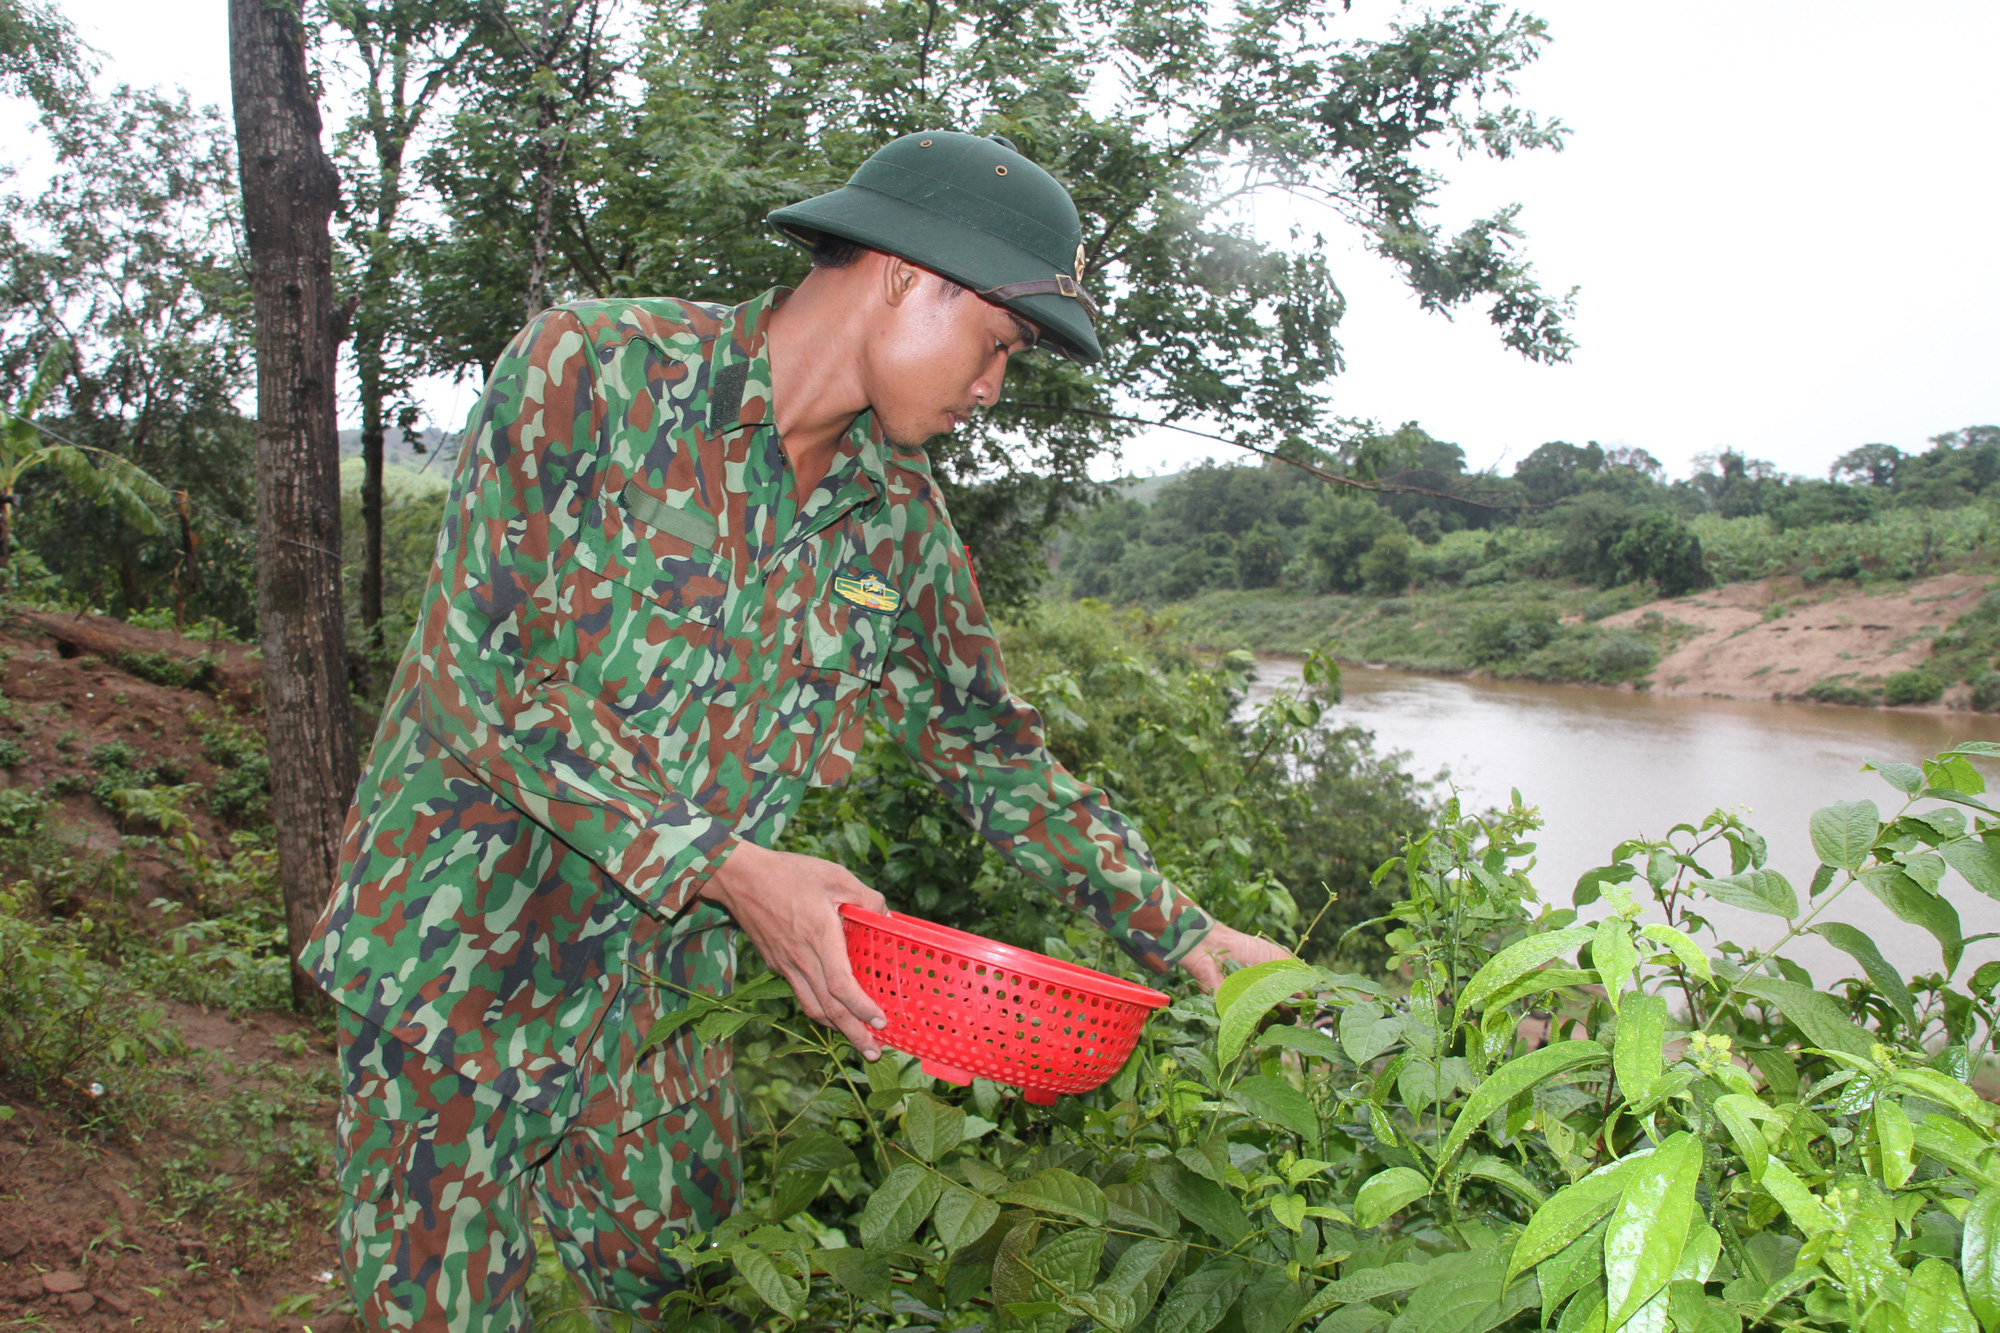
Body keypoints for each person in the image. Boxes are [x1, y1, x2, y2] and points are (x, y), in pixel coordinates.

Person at [307, 129, 1291, 1332]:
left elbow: (988, 750)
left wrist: (1184, 933)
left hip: (661, 1002)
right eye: (998, 345)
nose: (992, 388)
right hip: (449, 966)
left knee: (703, 1299)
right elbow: (488, 682)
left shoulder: (900, 524)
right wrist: (734, 870)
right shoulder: (596, 370)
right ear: (906, 273)